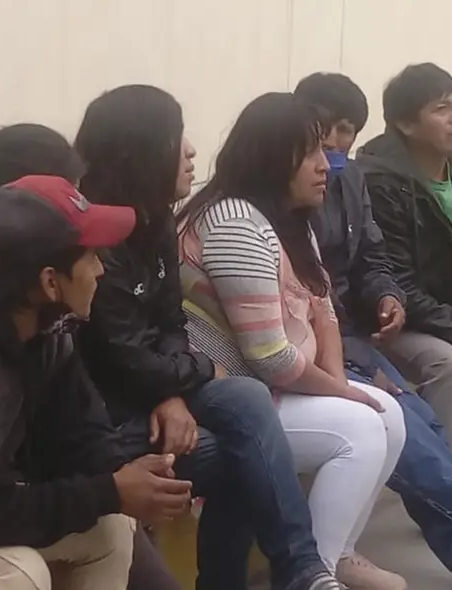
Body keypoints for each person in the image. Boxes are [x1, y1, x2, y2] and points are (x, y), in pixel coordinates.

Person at [72, 84, 342, 590]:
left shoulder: (152, 222)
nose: (192, 151)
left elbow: (171, 322)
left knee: (244, 397)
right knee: (243, 453)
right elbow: (120, 355)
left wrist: (174, 390)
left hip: (159, 391)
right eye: (177, 138)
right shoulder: (97, 242)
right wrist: (186, 378)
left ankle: (302, 570)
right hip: (111, 418)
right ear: (140, 151)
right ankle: (288, 571)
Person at [177, 91, 407, 590]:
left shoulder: (288, 218)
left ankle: (333, 557)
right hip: (234, 396)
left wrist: (342, 381)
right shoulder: (234, 221)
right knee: (362, 428)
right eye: (310, 153)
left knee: (388, 414)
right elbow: (269, 358)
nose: (326, 166)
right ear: (270, 156)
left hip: (275, 388)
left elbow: (324, 309)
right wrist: (343, 392)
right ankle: (307, 575)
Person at [0, 124, 185, 590]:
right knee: (21, 574)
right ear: (50, 282)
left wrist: (133, 480)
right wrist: (110, 490)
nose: (102, 270)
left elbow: (83, 434)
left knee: (113, 528)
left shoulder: (47, 329)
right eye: (92, 257)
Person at [297, 71, 452, 571]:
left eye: (350, 130)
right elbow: (302, 310)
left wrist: (386, 295)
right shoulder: (265, 205)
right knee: (409, 434)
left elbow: (374, 260)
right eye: (328, 129)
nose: (338, 145)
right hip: (314, 351)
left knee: (422, 427)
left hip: (353, 336)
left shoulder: (352, 179)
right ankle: (324, 562)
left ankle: (332, 555)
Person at [358, 63, 452, 445]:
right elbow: (400, 287)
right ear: (406, 124)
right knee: (446, 364)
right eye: (443, 109)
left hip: (440, 310)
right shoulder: (381, 182)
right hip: (400, 320)